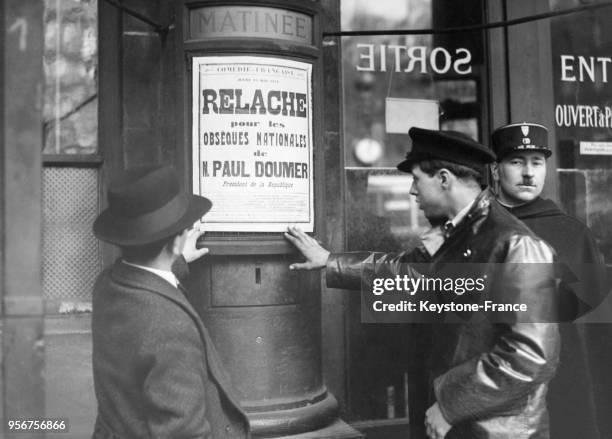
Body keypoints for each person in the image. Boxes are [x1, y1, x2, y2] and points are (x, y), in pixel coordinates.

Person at [285, 127, 560, 439]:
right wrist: (331, 261)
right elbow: (408, 271)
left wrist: (450, 405)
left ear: (443, 179)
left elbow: (530, 354)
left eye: (417, 179)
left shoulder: (517, 245)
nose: (413, 192)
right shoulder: (453, 231)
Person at [91, 165, 250, 439]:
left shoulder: (107, 285)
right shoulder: (171, 326)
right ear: (177, 242)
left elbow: (144, 283)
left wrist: (178, 259)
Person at [491, 122, 612, 439]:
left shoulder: (573, 235)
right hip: (490, 384)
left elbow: (592, 322)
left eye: (537, 162)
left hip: (562, 383)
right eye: (517, 162)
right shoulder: (477, 230)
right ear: (495, 168)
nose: (528, 173)